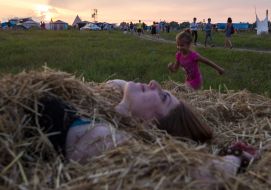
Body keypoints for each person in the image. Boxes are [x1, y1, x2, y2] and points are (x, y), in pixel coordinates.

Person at [31, 79, 213, 163]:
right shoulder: (104, 108)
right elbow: (116, 83)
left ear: (152, 127)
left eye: (163, 97)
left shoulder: (110, 140)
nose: (154, 83)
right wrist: (125, 105)